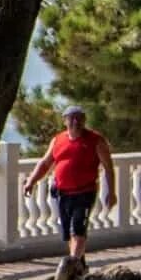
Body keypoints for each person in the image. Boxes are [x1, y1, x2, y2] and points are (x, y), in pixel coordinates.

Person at [23, 105, 117, 265]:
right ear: (65, 121)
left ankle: (71, 265)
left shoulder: (96, 140)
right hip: (62, 193)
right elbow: (45, 163)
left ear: (84, 120)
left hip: (85, 192)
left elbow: (108, 168)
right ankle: (79, 265)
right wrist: (32, 180)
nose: (76, 121)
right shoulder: (58, 140)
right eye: (72, 118)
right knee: (69, 233)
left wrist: (112, 192)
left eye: (79, 117)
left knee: (78, 230)